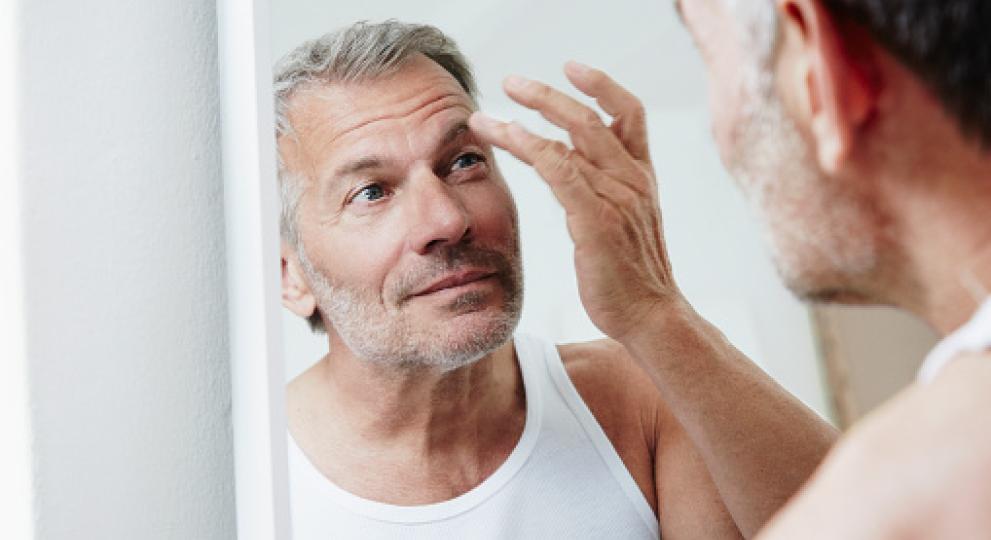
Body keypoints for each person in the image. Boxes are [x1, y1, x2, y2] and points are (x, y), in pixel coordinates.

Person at [274, 21, 835, 539]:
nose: (448, 219)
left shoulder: (639, 402)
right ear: (292, 276)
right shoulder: (251, 480)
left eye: (464, 162)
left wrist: (654, 309)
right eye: (372, 192)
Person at [470, 1, 991, 538]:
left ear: (830, 73)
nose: (717, 135)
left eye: (710, 60)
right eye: (373, 191)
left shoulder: (925, 495)